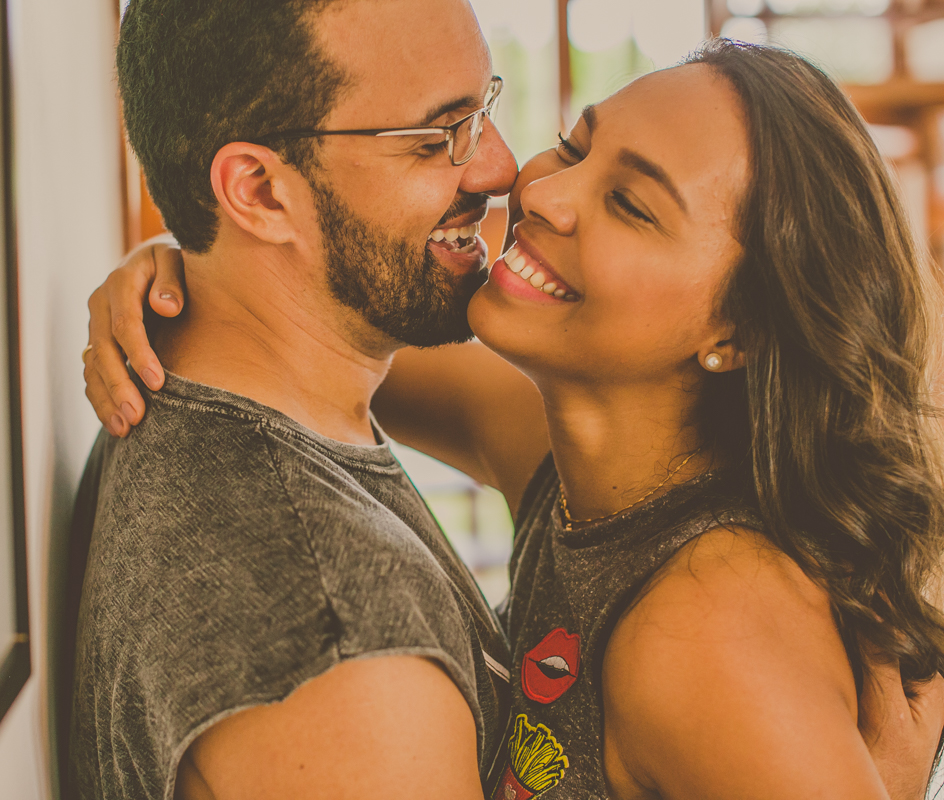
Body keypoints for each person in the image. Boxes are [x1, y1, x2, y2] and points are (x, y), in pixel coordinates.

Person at [84, 39, 944, 798]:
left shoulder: (708, 628)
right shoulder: (565, 451)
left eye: (632, 205)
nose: (544, 192)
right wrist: (186, 269)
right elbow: (309, 322)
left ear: (739, 330)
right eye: (575, 145)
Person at [71, 1, 523, 799]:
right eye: (436, 136)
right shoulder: (347, 658)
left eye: (482, 111)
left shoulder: (232, 383)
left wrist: (193, 257)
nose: (498, 168)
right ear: (259, 191)